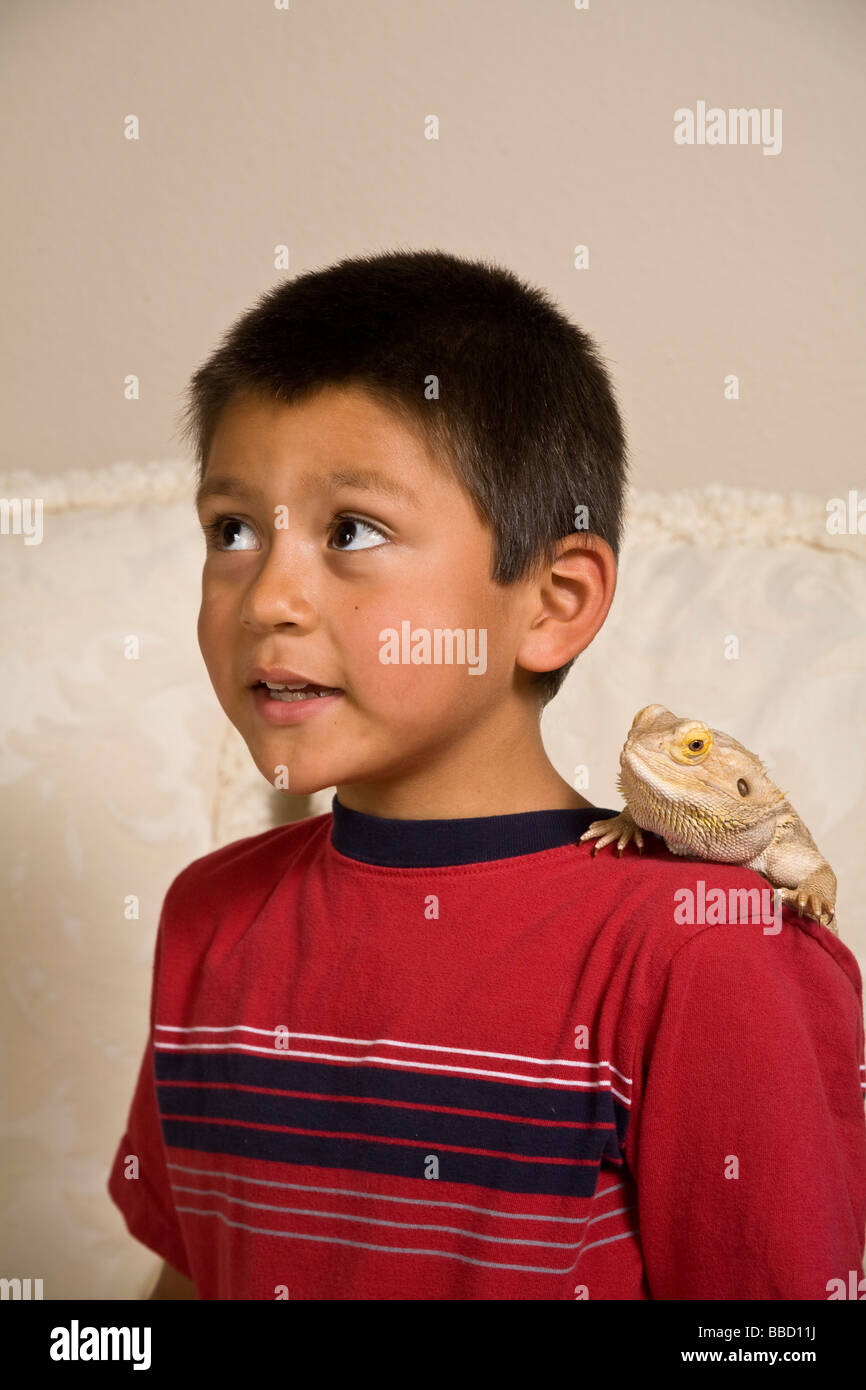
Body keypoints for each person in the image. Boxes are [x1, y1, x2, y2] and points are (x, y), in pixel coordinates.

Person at [108, 249, 866, 1300]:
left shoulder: (706, 952)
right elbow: (187, 1278)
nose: (267, 597)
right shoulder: (208, 915)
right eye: (231, 529)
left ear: (552, 601)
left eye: (352, 530)